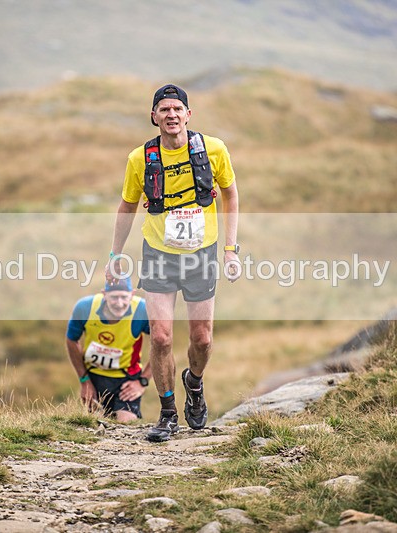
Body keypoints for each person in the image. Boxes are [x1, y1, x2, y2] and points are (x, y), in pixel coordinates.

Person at [106, 84, 240, 442]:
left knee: (203, 338)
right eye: (163, 109)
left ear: (188, 115)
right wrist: (115, 255)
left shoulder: (213, 149)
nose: (171, 115)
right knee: (162, 338)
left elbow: (230, 193)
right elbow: (127, 206)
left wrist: (230, 249)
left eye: (177, 109)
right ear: (154, 117)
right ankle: (167, 414)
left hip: (202, 253)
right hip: (158, 255)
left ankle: (193, 383)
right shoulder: (140, 159)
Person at [66, 275, 152, 422]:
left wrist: (142, 381)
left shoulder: (142, 310)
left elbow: (163, 345)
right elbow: (72, 340)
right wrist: (84, 380)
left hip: (126, 379)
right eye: (114, 297)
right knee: (93, 426)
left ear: (132, 295)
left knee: (125, 423)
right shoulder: (85, 308)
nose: (119, 303)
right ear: (104, 295)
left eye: (124, 297)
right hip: (94, 376)